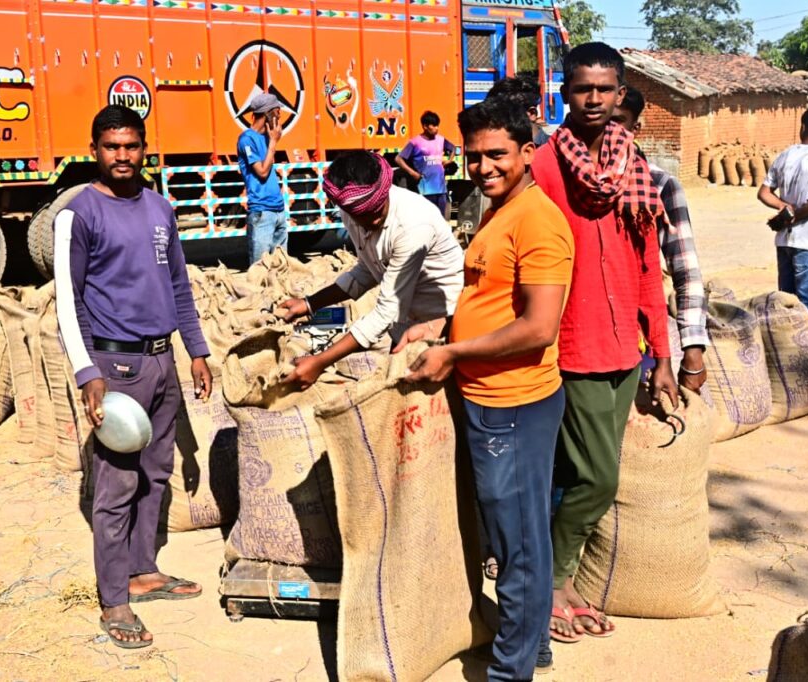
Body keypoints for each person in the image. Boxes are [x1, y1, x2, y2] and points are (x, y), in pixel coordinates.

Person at [396, 95, 574, 680]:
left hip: (515, 403)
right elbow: (491, 300)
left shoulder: (538, 220)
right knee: (517, 534)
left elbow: (539, 327)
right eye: (473, 156)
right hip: (491, 399)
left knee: (516, 544)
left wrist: (451, 353)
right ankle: (532, 647)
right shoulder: (500, 210)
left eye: (497, 154)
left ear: (528, 152)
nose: (482, 167)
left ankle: (509, 672)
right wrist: (441, 326)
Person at [530, 42, 678, 643]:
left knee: (580, 472)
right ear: (565, 92)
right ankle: (550, 585)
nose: (593, 99)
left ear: (620, 94)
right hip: (572, 346)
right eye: (582, 88)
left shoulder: (632, 165)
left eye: (604, 89)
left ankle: (557, 579)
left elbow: (647, 264)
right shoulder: (543, 166)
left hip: (625, 349)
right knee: (598, 480)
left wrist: (662, 353)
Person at [54, 105, 212, 649]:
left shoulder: (160, 208)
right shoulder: (78, 215)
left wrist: (196, 350)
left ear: (145, 148)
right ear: (94, 149)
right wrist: (87, 372)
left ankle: (143, 570)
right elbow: (69, 301)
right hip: (114, 366)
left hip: (162, 360)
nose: (122, 156)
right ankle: (114, 599)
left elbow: (179, 286)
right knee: (116, 484)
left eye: (131, 146)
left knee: (156, 472)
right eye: (111, 146)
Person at [279, 151, 464, 388]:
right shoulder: (351, 210)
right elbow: (367, 270)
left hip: (444, 324)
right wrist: (309, 304)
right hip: (406, 326)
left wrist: (320, 361)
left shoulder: (413, 224)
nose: (372, 220)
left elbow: (386, 311)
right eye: (363, 215)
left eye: (377, 210)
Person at [611, 86, 709, 392]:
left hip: (639, 331)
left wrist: (693, 348)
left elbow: (685, 269)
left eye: (618, 122)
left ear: (635, 128)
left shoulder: (660, 185)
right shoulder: (577, 181)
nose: (609, 132)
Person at [758, 105, 808, 318]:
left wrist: (783, 208)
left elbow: (764, 193)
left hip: (784, 241)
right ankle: (803, 340)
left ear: (802, 127)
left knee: (786, 302)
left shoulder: (786, 155)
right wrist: (793, 217)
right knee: (806, 305)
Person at [237, 93, 288, 264]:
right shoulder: (246, 139)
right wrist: (273, 142)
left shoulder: (266, 137)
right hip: (261, 211)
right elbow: (263, 172)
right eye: (277, 111)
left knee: (281, 268)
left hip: (278, 209)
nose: (279, 116)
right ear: (268, 113)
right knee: (260, 269)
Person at [395, 110, 458, 217]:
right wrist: (412, 173)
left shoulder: (441, 139)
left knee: (441, 218)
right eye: (434, 125)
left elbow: (453, 148)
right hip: (425, 189)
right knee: (428, 218)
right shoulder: (415, 142)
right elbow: (398, 159)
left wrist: (449, 160)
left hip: (441, 188)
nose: (437, 128)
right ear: (425, 126)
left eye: (437, 125)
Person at [487, 74, 551, 147]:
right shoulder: (489, 147)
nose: (495, 121)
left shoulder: (553, 150)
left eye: (505, 115)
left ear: (531, 114)